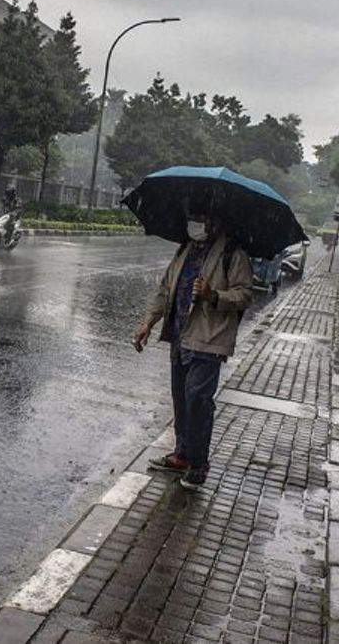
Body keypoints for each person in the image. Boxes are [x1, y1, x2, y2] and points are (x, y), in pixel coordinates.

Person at [132, 204, 253, 490]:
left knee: (198, 401)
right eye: (192, 218)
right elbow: (164, 290)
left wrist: (214, 295)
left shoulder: (232, 253)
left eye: (200, 218)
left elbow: (245, 294)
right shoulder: (185, 249)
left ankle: (199, 462)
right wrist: (148, 322)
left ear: (214, 221)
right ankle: (183, 454)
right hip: (179, 335)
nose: (194, 223)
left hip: (209, 339)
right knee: (182, 400)